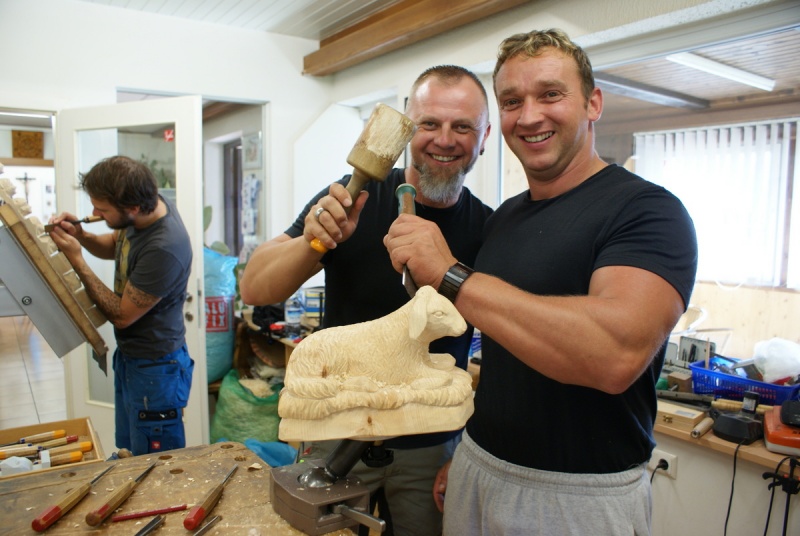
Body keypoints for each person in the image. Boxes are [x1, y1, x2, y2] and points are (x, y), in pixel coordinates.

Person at [384, 29, 698, 536]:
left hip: (576, 498)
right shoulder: (505, 218)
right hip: (479, 468)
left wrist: (451, 274)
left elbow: (614, 353)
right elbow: (507, 363)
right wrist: (470, 449)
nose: (529, 116)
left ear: (593, 103)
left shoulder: (647, 211)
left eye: (550, 94)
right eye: (512, 101)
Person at [240, 65, 493, 536]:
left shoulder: (488, 228)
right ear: (407, 127)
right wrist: (313, 243)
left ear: (484, 137)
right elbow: (255, 288)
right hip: (336, 433)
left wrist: (466, 451)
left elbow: (502, 359)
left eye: (462, 127)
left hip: (431, 443)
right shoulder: (350, 198)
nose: (444, 139)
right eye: (429, 123)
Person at [49, 156, 194, 456]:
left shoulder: (164, 247)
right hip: (132, 357)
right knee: (129, 453)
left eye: (102, 210)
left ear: (134, 208)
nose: (94, 214)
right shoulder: (143, 209)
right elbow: (115, 245)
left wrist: (77, 259)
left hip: (156, 369)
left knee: (154, 464)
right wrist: (82, 235)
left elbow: (122, 316)